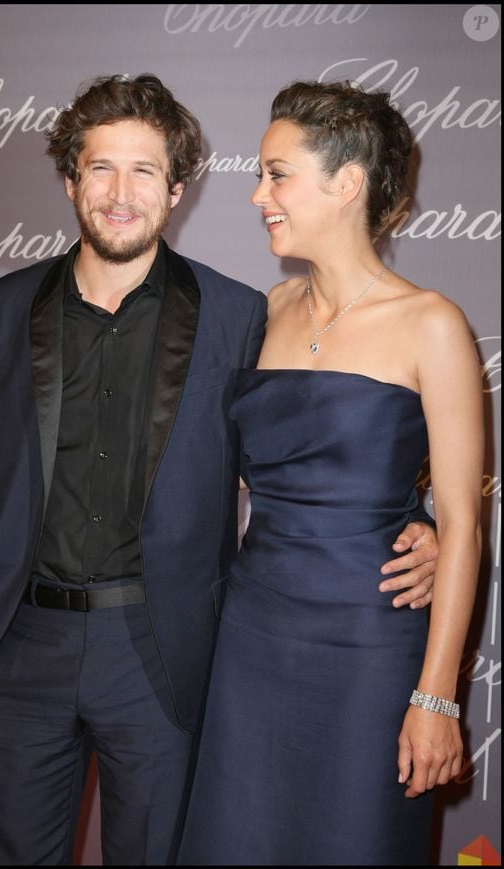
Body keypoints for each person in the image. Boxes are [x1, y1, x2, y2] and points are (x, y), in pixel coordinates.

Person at [0, 74, 438, 866]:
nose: (120, 193)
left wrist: (414, 522)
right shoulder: (1, 308)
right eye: (101, 168)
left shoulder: (240, 314)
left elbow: (301, 451)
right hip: (20, 646)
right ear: (71, 180)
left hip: (164, 653)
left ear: (177, 188)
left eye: (145, 171)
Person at [177, 80, 483, 867]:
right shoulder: (267, 310)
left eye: (277, 174)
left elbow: (463, 522)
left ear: (347, 184)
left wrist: (436, 694)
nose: (257, 195)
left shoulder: (433, 324)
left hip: (369, 650)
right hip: (249, 643)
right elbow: (234, 471)